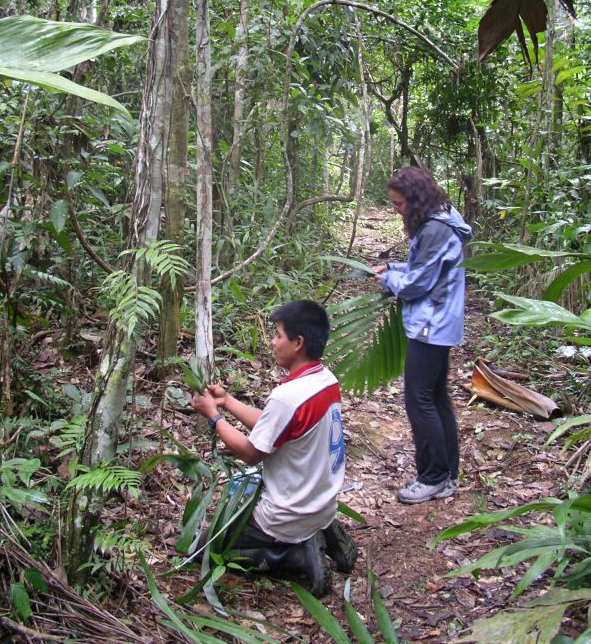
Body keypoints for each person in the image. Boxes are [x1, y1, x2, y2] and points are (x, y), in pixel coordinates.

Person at [192, 299, 357, 597]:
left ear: (298, 343)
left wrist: (213, 416)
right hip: (322, 502)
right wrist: (227, 401)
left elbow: (250, 452)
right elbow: (276, 427)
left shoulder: (288, 396)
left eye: (278, 335)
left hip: (286, 514)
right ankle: (320, 531)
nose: (272, 342)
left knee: (205, 548)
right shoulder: (325, 381)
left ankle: (296, 556)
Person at [374, 166, 472, 504]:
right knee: (436, 397)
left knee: (420, 399)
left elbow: (416, 285)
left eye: (398, 204)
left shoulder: (434, 229)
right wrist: (393, 268)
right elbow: (425, 267)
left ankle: (432, 477)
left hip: (432, 323)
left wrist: (389, 280)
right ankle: (447, 474)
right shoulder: (441, 220)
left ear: (415, 200)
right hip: (440, 321)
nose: (396, 209)